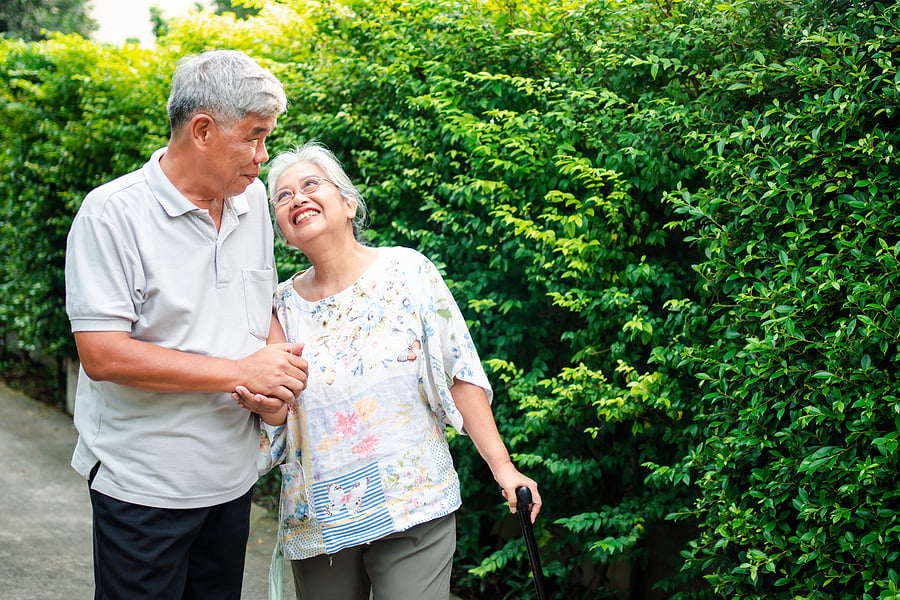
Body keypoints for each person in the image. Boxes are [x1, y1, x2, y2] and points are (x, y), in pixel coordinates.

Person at [235, 140, 542, 600]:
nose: (296, 198)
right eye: (282, 195)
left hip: (415, 500)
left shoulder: (408, 272)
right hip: (321, 520)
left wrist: (503, 467)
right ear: (281, 227)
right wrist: (266, 404)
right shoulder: (278, 306)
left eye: (311, 184)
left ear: (348, 202)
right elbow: (277, 416)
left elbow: (458, 373)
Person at [64, 49, 306, 600]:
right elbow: (104, 355)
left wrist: (276, 387)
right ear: (202, 130)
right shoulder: (111, 215)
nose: (263, 157)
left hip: (229, 482)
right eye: (254, 136)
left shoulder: (251, 209)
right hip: (145, 487)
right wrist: (237, 372)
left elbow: (257, 307)